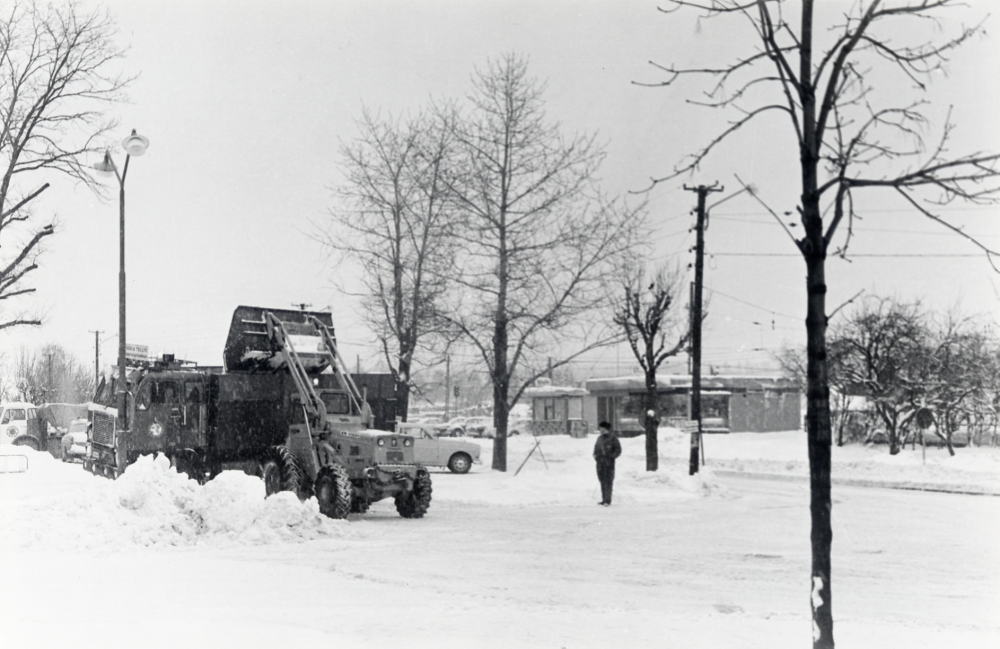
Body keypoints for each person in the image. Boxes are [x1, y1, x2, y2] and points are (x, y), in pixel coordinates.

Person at [593, 421, 622, 506]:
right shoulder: (599, 438)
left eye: (602, 428)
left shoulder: (613, 438)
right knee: (602, 480)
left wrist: (611, 457)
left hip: (609, 463)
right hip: (600, 463)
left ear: (606, 429)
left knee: (608, 481)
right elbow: (596, 448)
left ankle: (607, 500)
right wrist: (596, 456)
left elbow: (618, 450)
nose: (600, 429)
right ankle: (604, 499)